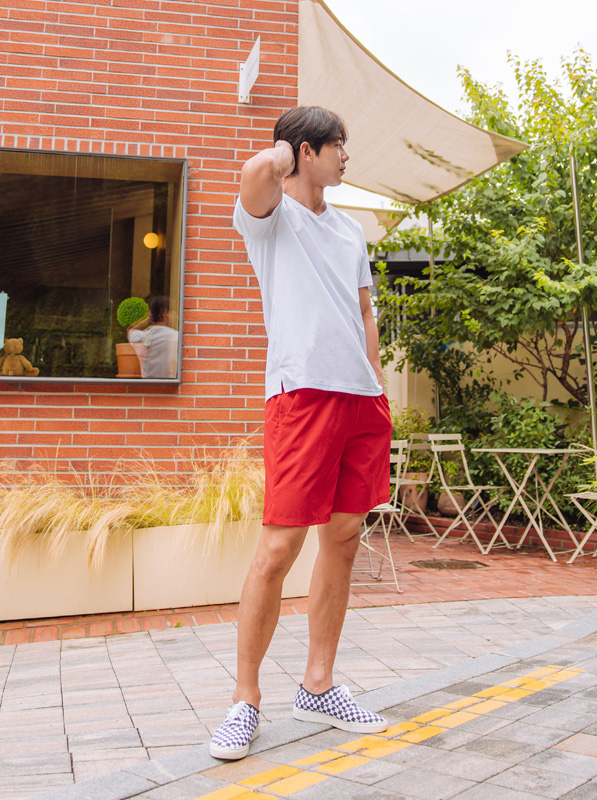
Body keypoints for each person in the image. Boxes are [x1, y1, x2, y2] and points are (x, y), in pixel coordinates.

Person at [209, 106, 393, 761]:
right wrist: (285, 151)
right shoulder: (271, 220)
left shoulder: (349, 230)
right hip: (301, 398)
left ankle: (318, 685)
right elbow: (253, 174)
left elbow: (364, 313)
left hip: (361, 402)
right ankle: (244, 700)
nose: (347, 156)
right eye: (338, 145)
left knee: (342, 539)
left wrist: (379, 387)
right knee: (279, 548)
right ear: (307, 151)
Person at [127, 295, 178, 379]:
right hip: (171, 383)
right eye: (174, 312)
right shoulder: (177, 337)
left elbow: (130, 330)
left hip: (148, 384)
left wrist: (149, 319)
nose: (176, 316)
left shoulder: (143, 336)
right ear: (165, 312)